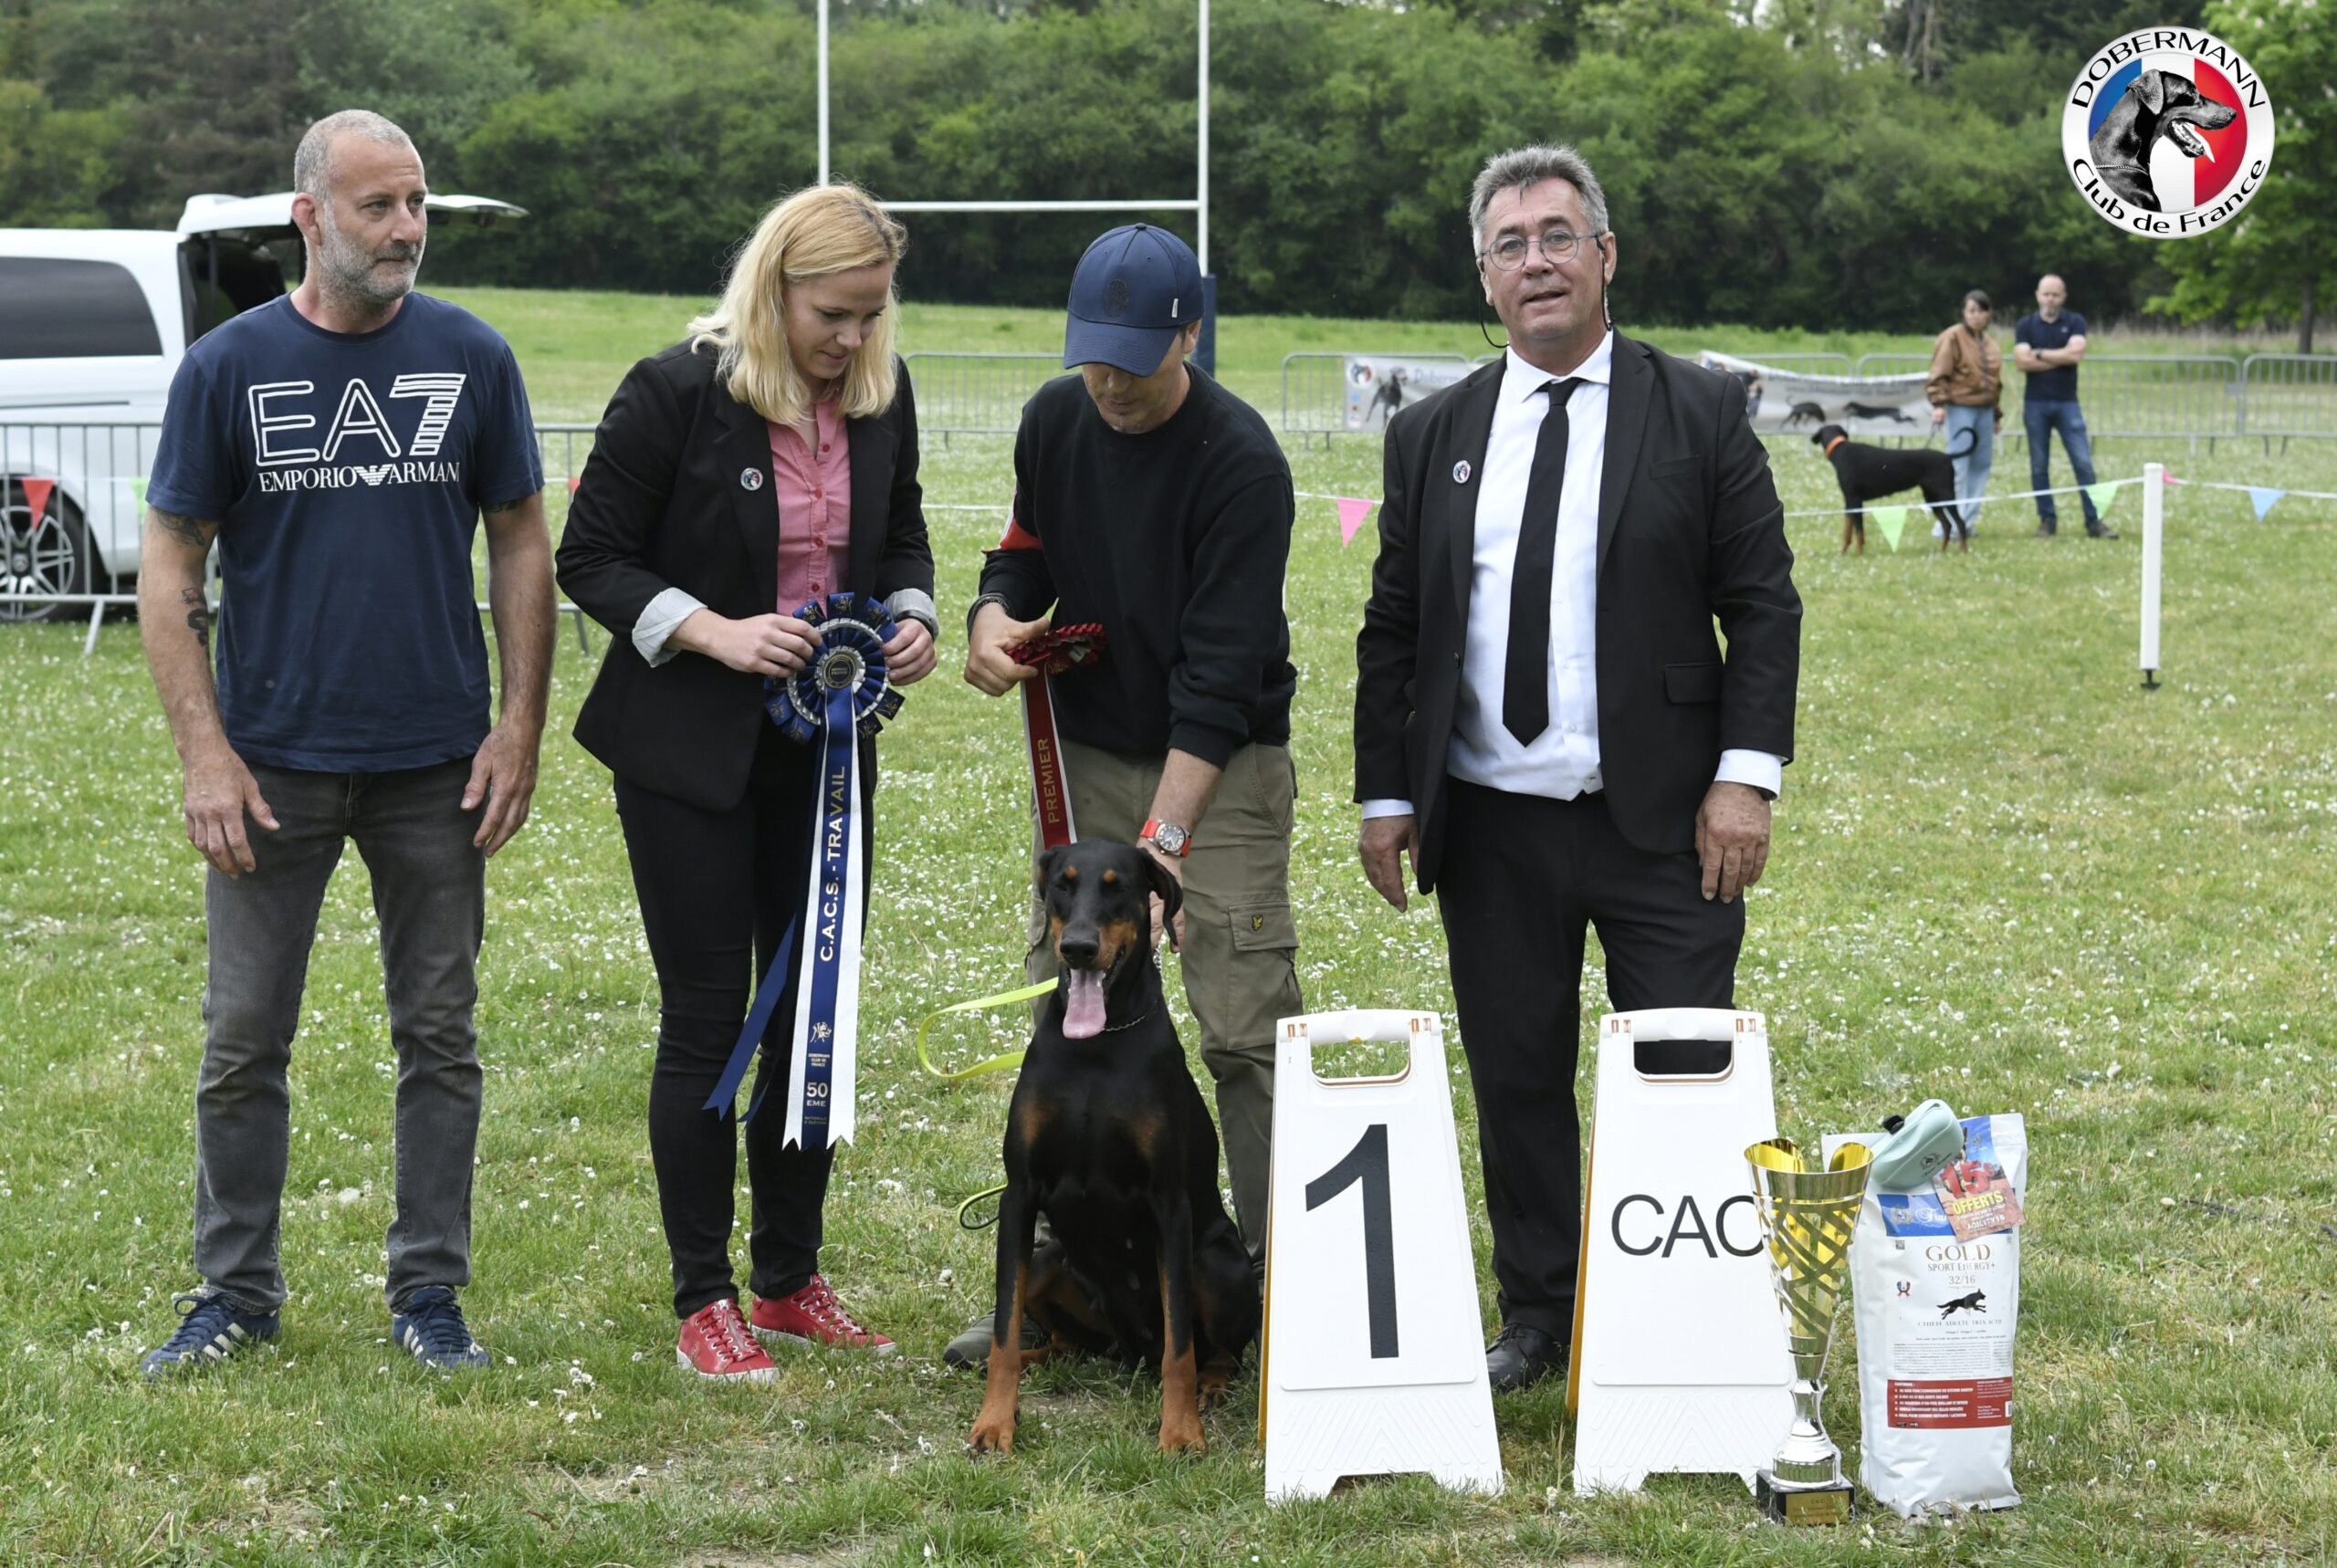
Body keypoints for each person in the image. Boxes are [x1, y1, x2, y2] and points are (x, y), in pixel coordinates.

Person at [1352, 144, 1800, 1393]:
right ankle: (1541, 1312)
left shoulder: (1698, 410)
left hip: (1667, 819)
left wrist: (1745, 777)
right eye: (1510, 243)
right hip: (1491, 823)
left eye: (1558, 236)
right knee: (1515, 1077)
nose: (1536, 260)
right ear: (1484, 277)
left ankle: (1684, 1313)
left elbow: (1762, 606)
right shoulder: (1431, 433)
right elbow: (1396, 625)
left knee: (1682, 1070)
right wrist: (1386, 792)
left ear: (1605, 255)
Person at [135, 110, 554, 1376]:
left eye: (416, 202)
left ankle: (429, 1291)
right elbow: (171, 561)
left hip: (437, 763)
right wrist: (205, 754)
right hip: (272, 764)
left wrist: (519, 724)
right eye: (379, 206)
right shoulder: (229, 367)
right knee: (242, 1040)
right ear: (310, 217)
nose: (407, 228)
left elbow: (520, 540)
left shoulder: (473, 357)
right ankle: (235, 1292)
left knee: (440, 1035)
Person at [556, 184, 938, 1381]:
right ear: (776, 291)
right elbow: (589, 558)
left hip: (828, 756)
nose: (854, 339)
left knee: (814, 1012)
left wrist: (914, 614)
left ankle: (787, 1277)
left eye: (872, 315)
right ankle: (703, 1297)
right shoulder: (674, 391)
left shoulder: (881, 394)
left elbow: (903, 529)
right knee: (710, 1014)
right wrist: (714, 631)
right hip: (687, 757)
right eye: (834, 316)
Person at [947, 223, 1299, 1369]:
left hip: (1220, 763)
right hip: (1091, 747)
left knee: (1241, 1023)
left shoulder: (1241, 463)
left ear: (1188, 335)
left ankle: (1279, 1288)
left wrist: (1167, 841)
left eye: (1133, 362)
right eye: (1092, 357)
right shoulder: (1055, 419)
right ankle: (1071, 1276)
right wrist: (992, 618)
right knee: (1074, 993)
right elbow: (1022, 554)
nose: (1108, 383)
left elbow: (1222, 676)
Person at [2014, 274, 2116, 539]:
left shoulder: (2075, 321)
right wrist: (2059, 357)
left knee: (2083, 463)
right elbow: (2022, 362)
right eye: (2046, 294)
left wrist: (2038, 353)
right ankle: (2047, 520)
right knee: (2039, 466)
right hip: (2035, 404)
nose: (2050, 299)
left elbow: (2075, 355)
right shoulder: (2025, 325)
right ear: (2038, 295)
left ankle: (2094, 520)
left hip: (2068, 403)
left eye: (2055, 294)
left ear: (2063, 297)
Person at [1925, 289, 2002, 538]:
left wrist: (1996, 415)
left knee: (1981, 465)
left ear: (1988, 314)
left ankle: (1966, 522)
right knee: (1957, 467)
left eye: (1981, 311)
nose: (1976, 316)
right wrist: (1938, 403)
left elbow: (1994, 382)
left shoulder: (1991, 345)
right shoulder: (1952, 338)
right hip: (1960, 407)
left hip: (1985, 410)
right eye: (1972, 311)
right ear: (1964, 313)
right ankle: (1946, 524)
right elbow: (1939, 372)